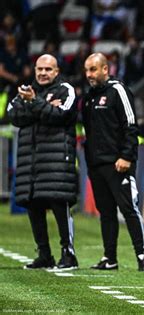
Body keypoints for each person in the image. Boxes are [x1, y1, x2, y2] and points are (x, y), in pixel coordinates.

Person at [7, 54, 78, 269]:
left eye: (48, 69)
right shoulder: (27, 91)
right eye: (40, 69)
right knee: (34, 205)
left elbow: (60, 115)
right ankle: (44, 254)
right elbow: (14, 115)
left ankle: (68, 254)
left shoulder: (65, 90)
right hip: (32, 163)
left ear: (56, 71)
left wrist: (34, 103)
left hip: (57, 161)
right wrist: (42, 106)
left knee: (59, 203)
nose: (43, 73)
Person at [83, 52, 144, 271]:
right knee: (106, 212)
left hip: (118, 163)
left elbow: (131, 125)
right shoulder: (88, 97)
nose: (89, 74)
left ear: (105, 69)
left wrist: (127, 156)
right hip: (96, 165)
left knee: (129, 209)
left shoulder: (118, 91)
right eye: (86, 70)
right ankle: (109, 258)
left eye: (93, 69)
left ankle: (142, 257)